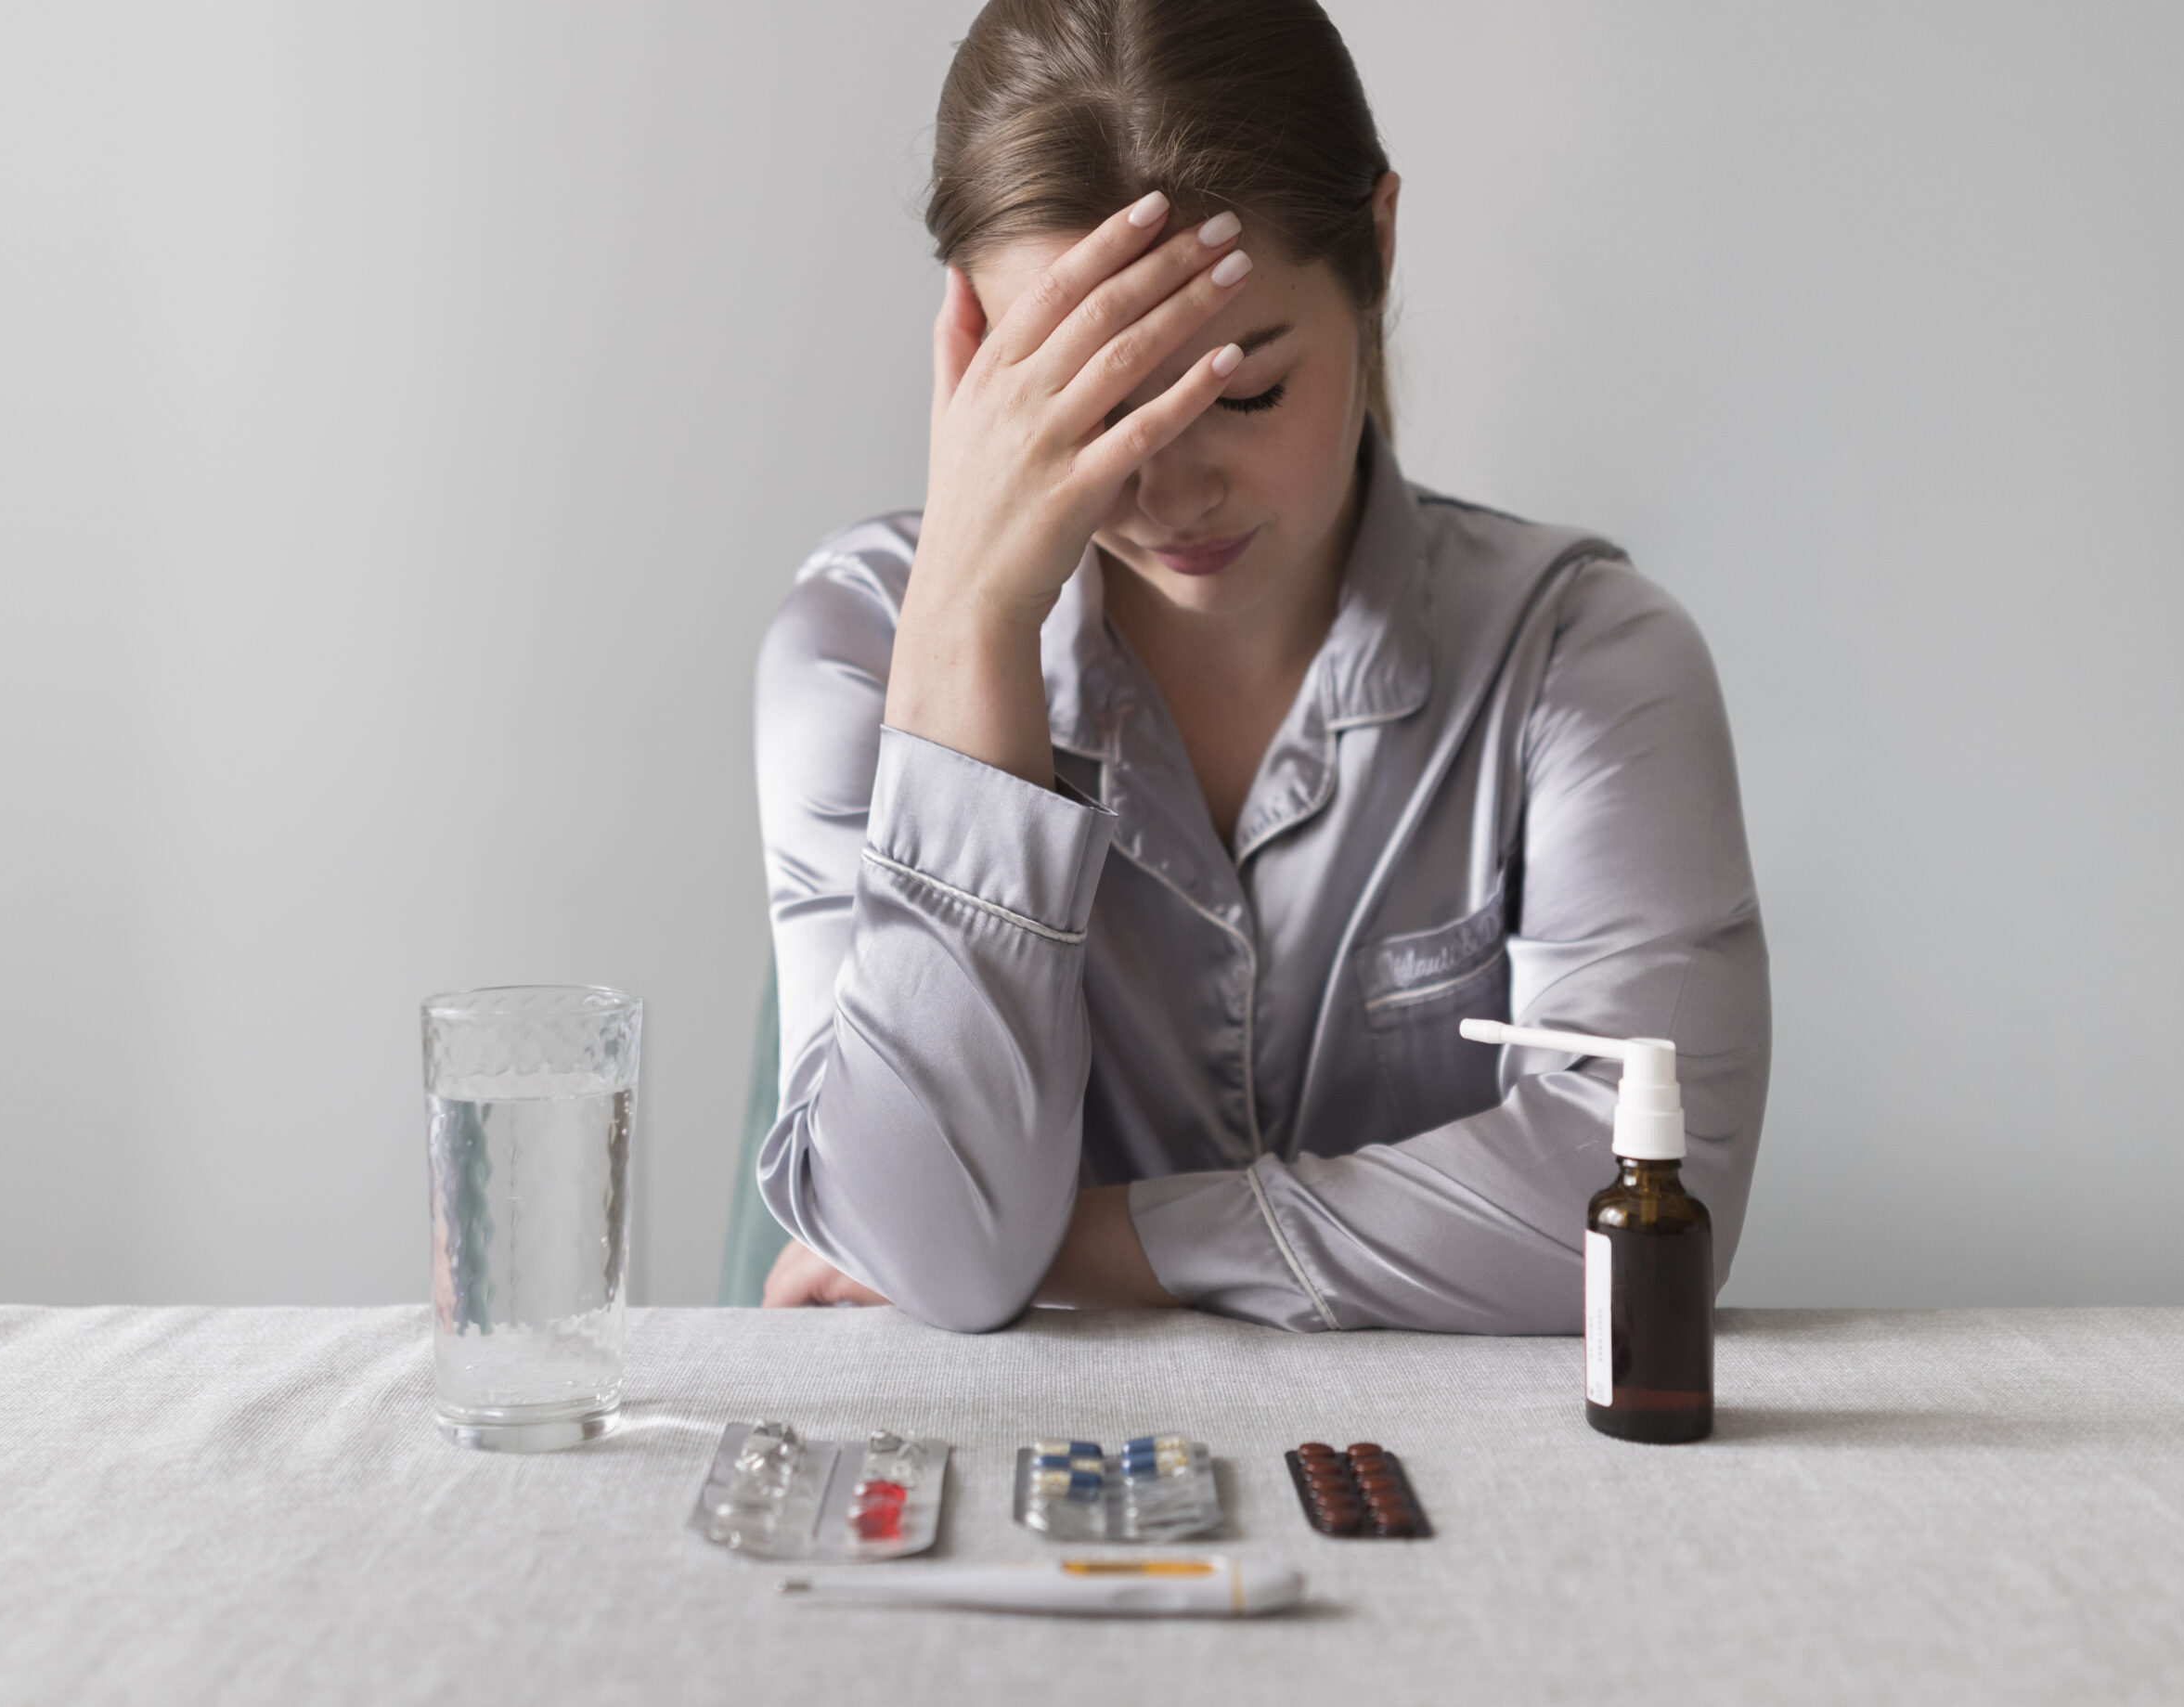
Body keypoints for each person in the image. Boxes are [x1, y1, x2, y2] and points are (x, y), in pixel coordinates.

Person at [751, 0, 1768, 1333]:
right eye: (1089, 410)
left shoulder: (1588, 664)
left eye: (1241, 393)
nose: (1169, 489)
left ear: (1378, 251)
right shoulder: (859, 653)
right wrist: (966, 621)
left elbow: (1638, 1209)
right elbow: (938, 1242)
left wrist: (1075, 1240)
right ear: (978, 364)